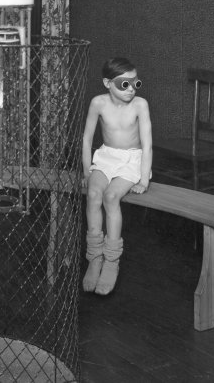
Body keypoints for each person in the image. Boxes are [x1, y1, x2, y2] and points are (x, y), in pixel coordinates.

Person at [80, 57, 152, 295]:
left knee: (111, 197)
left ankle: (111, 260)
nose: (131, 89)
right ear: (107, 83)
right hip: (106, 157)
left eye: (135, 83)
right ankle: (95, 257)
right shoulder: (98, 103)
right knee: (93, 193)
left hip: (131, 160)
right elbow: (87, 139)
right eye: (124, 84)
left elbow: (148, 145)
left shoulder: (140, 105)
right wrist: (85, 171)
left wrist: (143, 179)